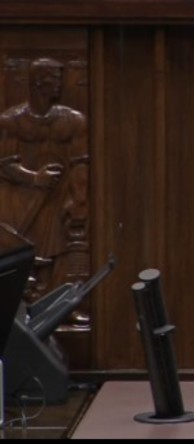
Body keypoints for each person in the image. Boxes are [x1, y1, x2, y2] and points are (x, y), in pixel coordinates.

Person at [0, 57, 90, 325]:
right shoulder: (11, 121)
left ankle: (61, 306)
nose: (59, 86)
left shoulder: (73, 120)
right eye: (53, 80)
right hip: (19, 200)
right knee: (20, 252)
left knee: (60, 250)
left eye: (60, 80)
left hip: (57, 197)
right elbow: (3, 163)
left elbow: (80, 162)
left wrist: (79, 198)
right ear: (38, 82)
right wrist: (34, 177)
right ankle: (16, 312)